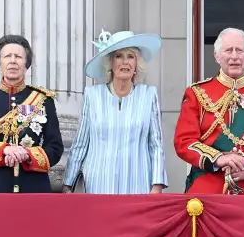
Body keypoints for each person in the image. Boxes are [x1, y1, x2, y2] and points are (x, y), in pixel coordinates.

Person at [174, 27, 244, 195]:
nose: (234, 56)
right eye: (228, 50)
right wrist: (219, 159)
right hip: (207, 186)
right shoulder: (197, 93)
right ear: (217, 56)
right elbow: (184, 141)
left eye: (239, 50)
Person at [63, 30, 167, 194]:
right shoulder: (93, 95)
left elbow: (155, 144)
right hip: (99, 185)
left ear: (136, 65)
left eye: (130, 56)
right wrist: (68, 184)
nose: (124, 62)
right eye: (119, 56)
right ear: (110, 63)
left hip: (138, 184)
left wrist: (157, 185)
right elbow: (81, 143)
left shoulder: (148, 95)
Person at [0, 35, 63, 193]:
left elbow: (55, 148)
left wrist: (27, 154)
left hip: (34, 188)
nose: (12, 61)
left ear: (26, 65)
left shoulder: (43, 100)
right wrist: (4, 150)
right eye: (7, 56)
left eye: (18, 57)